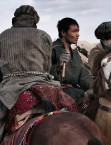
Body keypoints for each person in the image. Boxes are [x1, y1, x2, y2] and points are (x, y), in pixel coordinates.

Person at [0, 5, 60, 141]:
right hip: (42, 82)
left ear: (15, 19)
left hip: (11, 86)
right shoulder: (44, 35)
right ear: (34, 20)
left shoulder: (3, 35)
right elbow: (47, 66)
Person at [50, 17, 92, 103]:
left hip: (75, 91)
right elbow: (44, 72)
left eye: (78, 31)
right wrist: (59, 66)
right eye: (74, 31)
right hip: (57, 92)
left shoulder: (75, 54)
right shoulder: (52, 50)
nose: (78, 34)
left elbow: (84, 76)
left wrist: (96, 86)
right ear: (63, 33)